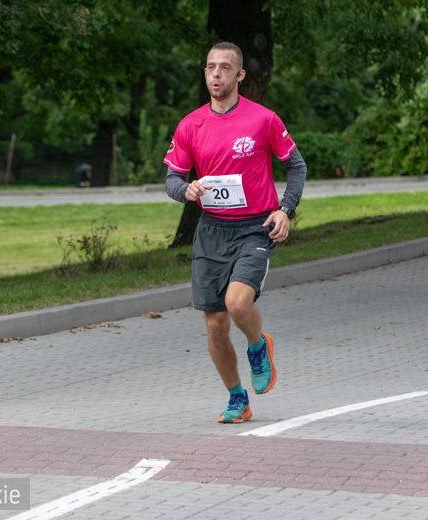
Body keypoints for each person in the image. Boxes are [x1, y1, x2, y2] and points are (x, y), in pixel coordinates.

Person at [164, 42, 307, 424]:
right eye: (210, 67)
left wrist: (286, 210)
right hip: (211, 231)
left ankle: (259, 345)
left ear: (240, 75)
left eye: (225, 67)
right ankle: (236, 398)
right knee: (214, 324)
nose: (216, 74)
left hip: (254, 228)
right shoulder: (190, 125)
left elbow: (296, 166)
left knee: (238, 303)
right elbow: (173, 179)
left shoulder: (263, 119)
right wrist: (186, 190)